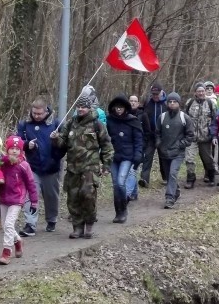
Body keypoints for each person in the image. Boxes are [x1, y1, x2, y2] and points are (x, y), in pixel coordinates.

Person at [51, 95, 114, 239]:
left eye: (83, 107)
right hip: (73, 168)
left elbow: (107, 145)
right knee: (73, 198)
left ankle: (89, 225)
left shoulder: (97, 124)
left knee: (88, 195)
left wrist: (106, 164)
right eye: (78, 106)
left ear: (89, 108)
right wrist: (55, 139)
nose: (80, 109)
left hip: (90, 167)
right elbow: (62, 144)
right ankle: (77, 227)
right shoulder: (70, 124)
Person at [17, 98, 64, 236]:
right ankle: (30, 224)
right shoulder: (24, 124)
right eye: (34, 113)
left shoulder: (56, 124)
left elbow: (64, 146)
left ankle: (51, 219)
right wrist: (26, 145)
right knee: (31, 194)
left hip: (51, 166)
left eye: (40, 114)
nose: (37, 116)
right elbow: (17, 141)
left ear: (46, 111)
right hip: (32, 167)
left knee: (51, 196)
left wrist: (56, 140)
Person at [0, 136, 38, 265]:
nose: (14, 151)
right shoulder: (2, 163)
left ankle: (6, 252)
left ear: (21, 151)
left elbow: (31, 183)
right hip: (3, 197)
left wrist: (34, 201)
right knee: (5, 225)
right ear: (7, 150)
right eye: (11, 148)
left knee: (8, 225)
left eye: (17, 149)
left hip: (17, 199)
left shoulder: (23, 165)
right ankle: (18, 241)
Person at [106, 94, 143, 223]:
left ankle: (123, 209)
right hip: (113, 156)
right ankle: (119, 211)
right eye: (117, 107)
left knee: (121, 182)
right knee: (116, 185)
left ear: (125, 108)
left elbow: (138, 139)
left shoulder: (133, 120)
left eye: (121, 107)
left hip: (128, 156)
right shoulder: (109, 120)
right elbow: (105, 139)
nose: (119, 110)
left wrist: (138, 155)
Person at [156, 92, 194, 209]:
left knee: (173, 173)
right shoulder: (162, 117)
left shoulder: (184, 118)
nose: (172, 104)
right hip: (164, 152)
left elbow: (190, 136)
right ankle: (175, 191)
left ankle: (169, 198)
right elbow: (157, 133)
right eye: (170, 102)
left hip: (178, 153)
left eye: (174, 102)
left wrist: (180, 144)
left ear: (179, 103)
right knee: (168, 176)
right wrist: (159, 143)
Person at [184, 83, 216, 188]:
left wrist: (214, 135)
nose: (201, 93)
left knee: (208, 160)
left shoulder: (211, 104)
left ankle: (211, 176)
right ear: (195, 93)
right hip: (191, 137)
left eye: (203, 91)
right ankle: (190, 179)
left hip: (205, 137)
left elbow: (215, 121)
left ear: (205, 92)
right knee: (189, 159)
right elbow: (184, 119)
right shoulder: (189, 103)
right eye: (199, 91)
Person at [140, 83, 167, 187]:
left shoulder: (167, 103)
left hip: (163, 135)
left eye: (157, 94)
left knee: (163, 157)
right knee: (147, 156)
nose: (155, 96)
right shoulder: (148, 103)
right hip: (150, 134)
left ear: (161, 92)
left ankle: (165, 177)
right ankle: (144, 179)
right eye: (153, 94)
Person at [128, 95, 150, 199]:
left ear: (138, 103)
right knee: (132, 170)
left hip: (139, 147)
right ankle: (134, 192)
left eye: (135, 101)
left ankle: (128, 194)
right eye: (131, 101)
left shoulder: (143, 115)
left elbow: (147, 132)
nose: (132, 103)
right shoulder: (124, 115)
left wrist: (143, 145)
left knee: (133, 169)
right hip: (127, 147)